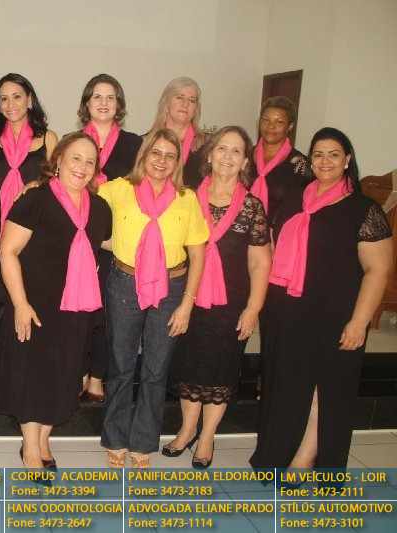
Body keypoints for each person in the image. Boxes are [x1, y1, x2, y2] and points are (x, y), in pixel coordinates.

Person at [251, 128, 392, 469]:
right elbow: (271, 248)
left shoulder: (363, 208)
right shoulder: (293, 201)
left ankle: (306, 457)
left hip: (336, 314)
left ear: (347, 160)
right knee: (286, 386)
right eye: (318, 154)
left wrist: (359, 322)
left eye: (333, 154)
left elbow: (378, 270)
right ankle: (276, 456)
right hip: (287, 310)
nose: (325, 161)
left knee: (323, 389)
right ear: (310, 160)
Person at [0, 133, 111, 469]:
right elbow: (7, 250)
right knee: (33, 375)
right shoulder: (36, 199)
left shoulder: (100, 209)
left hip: (75, 309)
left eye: (90, 162)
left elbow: (110, 245)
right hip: (35, 305)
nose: (82, 167)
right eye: (76, 158)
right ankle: (30, 447)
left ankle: (43, 439)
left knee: (62, 376)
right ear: (58, 160)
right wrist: (20, 304)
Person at [98, 128, 208, 469]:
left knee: (156, 369)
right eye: (155, 153)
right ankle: (116, 438)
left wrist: (188, 303)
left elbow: (198, 254)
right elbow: (80, 204)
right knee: (120, 366)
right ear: (144, 155)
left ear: (177, 163)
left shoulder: (187, 198)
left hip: (171, 289)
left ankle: (144, 440)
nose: (161, 161)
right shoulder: (118, 188)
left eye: (170, 156)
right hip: (124, 284)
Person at [166, 126, 271, 468]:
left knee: (222, 368)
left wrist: (253, 308)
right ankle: (187, 429)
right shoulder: (186, 198)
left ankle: (207, 436)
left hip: (231, 303)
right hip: (188, 297)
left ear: (245, 162)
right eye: (222, 148)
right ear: (209, 155)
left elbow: (260, 263)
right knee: (188, 363)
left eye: (236, 151)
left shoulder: (253, 207)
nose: (228, 156)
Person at [0, 73, 58, 375]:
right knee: (2, 307)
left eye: (17, 96)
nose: (10, 104)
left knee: (34, 303)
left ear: (29, 99)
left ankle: (31, 374)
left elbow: (57, 184)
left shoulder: (48, 138)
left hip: (35, 235)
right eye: (3, 98)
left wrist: (37, 184)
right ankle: (1, 376)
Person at [78, 74, 143, 403]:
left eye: (110, 97)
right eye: (97, 97)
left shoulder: (134, 144)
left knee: (106, 311)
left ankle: (97, 376)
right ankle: (79, 370)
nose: (103, 103)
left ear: (119, 104)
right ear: (87, 103)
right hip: (78, 234)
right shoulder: (74, 141)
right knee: (79, 309)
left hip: (115, 237)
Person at [249, 96, 309, 225]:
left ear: (290, 126)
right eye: (266, 120)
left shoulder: (301, 165)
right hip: (239, 229)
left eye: (279, 122)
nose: (271, 126)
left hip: (278, 233)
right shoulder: (244, 155)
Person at [150, 77, 207, 190]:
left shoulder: (208, 145)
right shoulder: (145, 142)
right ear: (166, 102)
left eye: (192, 100)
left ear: (196, 109)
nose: (185, 104)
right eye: (180, 97)